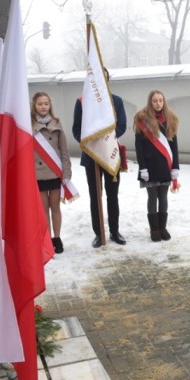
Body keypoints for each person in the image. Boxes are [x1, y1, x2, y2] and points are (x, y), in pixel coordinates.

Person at [72, 68, 127, 248]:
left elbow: (122, 126)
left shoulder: (116, 101)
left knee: (113, 196)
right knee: (95, 196)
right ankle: (99, 233)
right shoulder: (82, 103)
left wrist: (106, 141)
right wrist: (94, 143)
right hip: (92, 157)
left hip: (111, 154)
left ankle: (114, 230)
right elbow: (77, 130)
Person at [133, 90, 180, 241]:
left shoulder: (170, 119)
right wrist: (143, 168)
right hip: (150, 166)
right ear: (150, 102)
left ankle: (163, 228)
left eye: (161, 100)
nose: (158, 103)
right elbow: (139, 147)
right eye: (155, 101)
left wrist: (175, 167)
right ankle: (154, 230)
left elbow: (174, 146)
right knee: (152, 197)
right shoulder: (142, 120)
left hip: (165, 165)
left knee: (164, 197)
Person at [31, 91, 72, 254]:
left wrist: (67, 171)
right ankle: (47, 239)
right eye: (40, 104)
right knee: (43, 208)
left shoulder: (57, 122)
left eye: (46, 104)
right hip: (38, 173)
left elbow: (64, 149)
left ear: (50, 105)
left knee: (55, 207)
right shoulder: (28, 123)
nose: (43, 107)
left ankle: (57, 237)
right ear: (34, 105)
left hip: (55, 172)